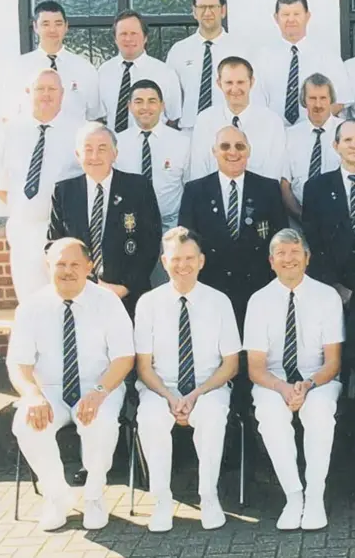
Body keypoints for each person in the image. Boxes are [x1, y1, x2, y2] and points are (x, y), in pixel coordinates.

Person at [7, 238, 135, 531]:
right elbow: (18, 364)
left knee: (99, 423)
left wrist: (100, 392)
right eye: (60, 264)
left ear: (90, 266)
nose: (67, 270)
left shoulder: (108, 302)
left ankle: (93, 496)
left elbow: (124, 357)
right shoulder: (31, 306)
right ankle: (56, 496)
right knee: (26, 423)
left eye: (75, 264)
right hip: (49, 390)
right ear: (48, 266)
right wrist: (32, 395)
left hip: (100, 386)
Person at [135, 226, 241, 532]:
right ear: (163, 262)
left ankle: (209, 496)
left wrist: (196, 394)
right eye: (175, 258)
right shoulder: (148, 304)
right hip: (160, 386)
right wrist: (170, 396)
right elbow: (143, 365)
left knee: (212, 418)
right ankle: (162, 500)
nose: (183, 265)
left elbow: (231, 364)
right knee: (151, 419)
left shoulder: (219, 301)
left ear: (202, 261)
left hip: (209, 386)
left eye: (189, 258)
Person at [244, 229, 344, 530]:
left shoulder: (327, 296)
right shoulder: (258, 300)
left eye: (295, 252)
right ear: (271, 261)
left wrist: (308, 385)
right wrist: (284, 388)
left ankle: (315, 495)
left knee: (319, 415)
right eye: (281, 254)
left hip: (319, 380)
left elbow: (333, 362)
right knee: (270, 414)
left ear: (307, 258)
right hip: (273, 381)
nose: (289, 259)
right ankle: (294, 495)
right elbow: (255, 368)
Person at [179, 125, 288, 334]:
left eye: (239, 146)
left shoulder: (268, 189)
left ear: (248, 151)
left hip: (257, 289)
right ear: (214, 151)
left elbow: (279, 240)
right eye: (225, 146)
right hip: (211, 287)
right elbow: (186, 241)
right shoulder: (195, 190)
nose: (232, 152)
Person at [47, 121, 162, 318]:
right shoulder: (64, 191)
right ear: (77, 155)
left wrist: (124, 287)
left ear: (115, 154)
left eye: (102, 149)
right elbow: (54, 244)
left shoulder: (138, 187)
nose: (94, 156)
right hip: (79, 295)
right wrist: (87, 284)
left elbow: (150, 243)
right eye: (88, 149)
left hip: (129, 296)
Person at [0, 69, 83, 301]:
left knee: (66, 297)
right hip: (25, 229)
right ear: (28, 92)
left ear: (62, 94)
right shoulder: (11, 130)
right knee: (30, 298)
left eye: (52, 89)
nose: (46, 94)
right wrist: (26, 209)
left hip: (65, 230)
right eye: (40, 89)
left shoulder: (79, 131)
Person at [302, 119, 355, 383]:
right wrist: (333, 285)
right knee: (334, 358)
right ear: (336, 146)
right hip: (334, 288)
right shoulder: (316, 188)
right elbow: (314, 241)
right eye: (347, 140)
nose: (353, 145)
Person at [253, 0, 351, 126]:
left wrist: (313, 126)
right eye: (285, 15)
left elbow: (340, 101)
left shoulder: (328, 56)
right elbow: (255, 102)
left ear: (307, 16)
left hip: (315, 135)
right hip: (274, 133)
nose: (291, 19)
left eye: (296, 14)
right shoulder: (262, 57)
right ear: (276, 18)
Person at [166, 0, 247, 135]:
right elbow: (170, 97)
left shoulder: (241, 50)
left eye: (213, 7)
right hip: (189, 131)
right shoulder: (179, 51)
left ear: (223, 10)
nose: (207, 12)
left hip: (229, 131)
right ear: (194, 11)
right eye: (202, 7)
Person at [0, 1, 100, 122]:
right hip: (32, 139)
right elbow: (8, 115)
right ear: (35, 27)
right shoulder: (19, 67)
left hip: (73, 139)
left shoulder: (84, 68)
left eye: (58, 24)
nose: (52, 30)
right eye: (45, 24)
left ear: (66, 26)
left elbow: (94, 116)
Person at [190, 56, 286, 180]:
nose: (234, 89)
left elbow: (273, 174)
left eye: (240, 82)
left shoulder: (272, 122)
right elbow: (199, 171)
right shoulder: (204, 120)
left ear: (252, 82)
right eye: (229, 83)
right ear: (219, 83)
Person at [115, 79, 190, 233]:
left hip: (171, 227)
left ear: (162, 106)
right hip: (130, 227)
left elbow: (190, 187)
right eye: (138, 101)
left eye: (152, 101)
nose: (145, 107)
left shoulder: (182, 142)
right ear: (129, 106)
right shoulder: (117, 143)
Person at [98, 10, 181, 132]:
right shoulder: (103, 72)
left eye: (134, 33)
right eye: (123, 34)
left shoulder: (165, 73)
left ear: (145, 37)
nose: (128, 38)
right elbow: (98, 116)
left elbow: (173, 118)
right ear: (115, 39)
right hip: (113, 146)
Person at [281, 73, 341, 223]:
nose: (318, 105)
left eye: (323, 98)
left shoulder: (348, 132)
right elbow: (284, 184)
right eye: (312, 98)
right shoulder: (289, 135)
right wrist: (303, 217)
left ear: (331, 100)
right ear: (304, 101)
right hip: (299, 220)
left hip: (340, 222)